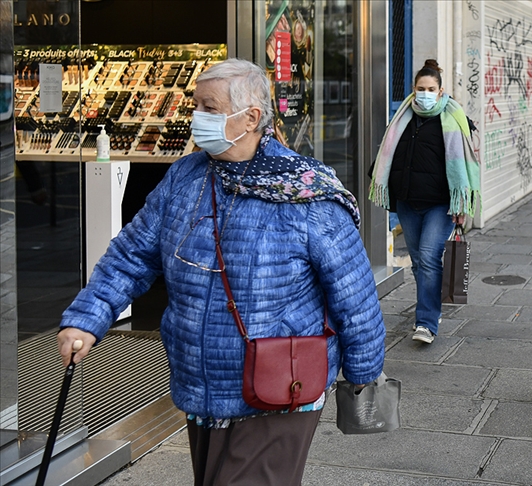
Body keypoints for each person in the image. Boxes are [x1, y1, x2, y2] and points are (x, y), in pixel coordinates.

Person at [56, 59, 386, 485]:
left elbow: (354, 294)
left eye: (209, 108)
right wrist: (88, 318)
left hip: (280, 389)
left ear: (250, 118)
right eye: (195, 106)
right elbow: (132, 254)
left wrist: (362, 377)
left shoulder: (306, 193)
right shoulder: (184, 178)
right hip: (203, 385)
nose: (197, 118)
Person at [369, 59, 480, 344]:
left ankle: (426, 322)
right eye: (421, 88)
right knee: (418, 261)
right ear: (413, 89)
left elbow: (466, 165)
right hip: (408, 201)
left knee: (429, 259)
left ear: (441, 91)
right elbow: (390, 156)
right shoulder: (402, 119)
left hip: (440, 205)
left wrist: (461, 203)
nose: (426, 93)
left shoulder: (455, 120)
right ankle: (430, 307)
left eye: (431, 89)